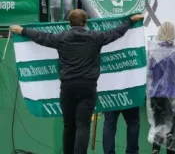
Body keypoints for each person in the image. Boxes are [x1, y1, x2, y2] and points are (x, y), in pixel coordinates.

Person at [9, 10, 144, 154]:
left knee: (68, 126)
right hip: (88, 87)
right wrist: (130, 21)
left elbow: (41, 37)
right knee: (83, 126)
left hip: (68, 88)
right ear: (85, 22)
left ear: (69, 23)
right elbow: (115, 33)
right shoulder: (95, 37)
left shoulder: (61, 38)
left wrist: (22, 30)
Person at [147, 22, 175, 154]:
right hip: (174, 94)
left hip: (156, 95)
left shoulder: (152, 52)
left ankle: (155, 150)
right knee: (172, 132)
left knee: (159, 127)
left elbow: (149, 72)